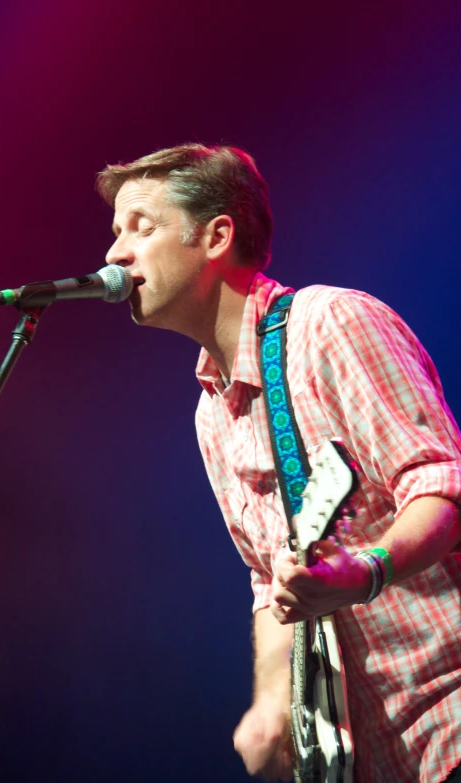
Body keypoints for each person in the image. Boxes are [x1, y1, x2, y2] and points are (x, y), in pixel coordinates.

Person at [96, 143, 461, 783]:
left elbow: (442, 486)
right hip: (374, 757)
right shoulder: (212, 413)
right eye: (116, 233)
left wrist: (368, 568)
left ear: (216, 236)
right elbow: (271, 582)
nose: (114, 254)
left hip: (447, 714)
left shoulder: (330, 324)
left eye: (141, 228)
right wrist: (271, 704)